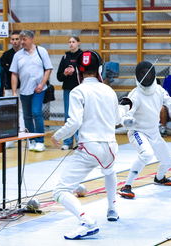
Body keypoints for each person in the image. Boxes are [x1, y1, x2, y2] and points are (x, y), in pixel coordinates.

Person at [51, 50, 133, 239]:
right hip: (111, 148)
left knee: (60, 190)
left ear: (79, 72)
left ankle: (86, 221)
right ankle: (112, 209)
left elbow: (74, 123)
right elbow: (116, 119)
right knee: (109, 171)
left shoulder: (78, 91)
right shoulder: (108, 90)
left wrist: (58, 135)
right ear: (99, 70)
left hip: (89, 148)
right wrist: (125, 107)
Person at [119, 61, 171, 199]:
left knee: (168, 161)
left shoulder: (159, 90)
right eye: (142, 73)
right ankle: (126, 186)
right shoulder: (134, 95)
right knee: (146, 154)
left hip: (154, 134)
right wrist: (127, 121)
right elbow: (124, 116)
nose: (146, 76)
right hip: (138, 133)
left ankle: (159, 178)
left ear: (153, 73)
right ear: (138, 75)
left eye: (148, 72)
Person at [10, 29, 53, 152]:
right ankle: (31, 140)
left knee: (36, 113)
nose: (21, 42)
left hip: (38, 89)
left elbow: (48, 69)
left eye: (24, 39)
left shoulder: (41, 51)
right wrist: (14, 91)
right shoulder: (17, 55)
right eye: (20, 39)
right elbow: (14, 74)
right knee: (27, 116)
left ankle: (40, 141)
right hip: (24, 89)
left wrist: (42, 84)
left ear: (31, 39)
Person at [57, 36, 82, 150]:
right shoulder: (65, 57)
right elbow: (59, 76)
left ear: (78, 43)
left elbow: (85, 73)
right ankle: (67, 141)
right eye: (70, 42)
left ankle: (79, 141)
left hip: (80, 90)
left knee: (79, 115)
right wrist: (66, 73)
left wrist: (75, 71)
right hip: (68, 90)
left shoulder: (82, 56)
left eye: (73, 42)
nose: (71, 44)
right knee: (68, 115)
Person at [0, 31, 24, 148]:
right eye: (13, 39)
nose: (15, 41)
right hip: (9, 88)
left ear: (20, 40)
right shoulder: (6, 55)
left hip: (23, 88)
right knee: (9, 112)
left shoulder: (24, 53)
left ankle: (23, 134)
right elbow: (4, 70)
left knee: (22, 111)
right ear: (10, 41)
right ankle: (9, 138)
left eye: (17, 39)